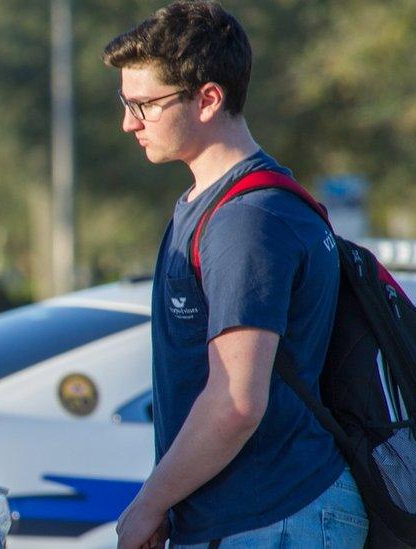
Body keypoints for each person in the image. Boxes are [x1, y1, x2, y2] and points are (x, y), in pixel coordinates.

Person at [103, 2, 366, 548]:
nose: (129, 121)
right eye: (126, 102)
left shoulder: (248, 220)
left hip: (273, 518)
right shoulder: (225, 205)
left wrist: (149, 504)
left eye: (144, 105)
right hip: (263, 514)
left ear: (208, 98)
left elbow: (236, 403)